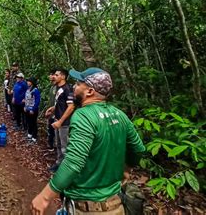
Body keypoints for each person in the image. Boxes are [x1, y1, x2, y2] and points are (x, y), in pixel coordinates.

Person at [31, 68, 145, 215]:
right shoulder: (120, 114)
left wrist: (45, 197)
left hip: (88, 207)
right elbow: (138, 148)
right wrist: (127, 169)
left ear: (90, 91)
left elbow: (73, 162)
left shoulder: (83, 116)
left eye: (78, 83)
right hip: (116, 205)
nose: (74, 86)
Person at [45, 68, 74, 172]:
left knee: (64, 146)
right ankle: (59, 163)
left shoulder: (68, 89)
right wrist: (52, 109)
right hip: (57, 120)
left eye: (57, 75)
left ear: (63, 76)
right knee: (58, 144)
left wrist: (61, 121)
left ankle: (66, 170)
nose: (54, 77)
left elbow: (70, 107)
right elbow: (60, 104)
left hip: (64, 122)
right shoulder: (58, 88)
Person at [24, 77, 40, 143]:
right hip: (27, 109)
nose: (27, 83)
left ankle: (34, 137)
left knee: (33, 123)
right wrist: (25, 106)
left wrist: (33, 109)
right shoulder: (28, 89)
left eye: (29, 81)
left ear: (32, 83)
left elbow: (37, 101)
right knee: (28, 122)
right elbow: (26, 99)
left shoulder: (35, 90)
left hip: (33, 110)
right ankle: (29, 135)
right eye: (27, 81)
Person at [46, 69, 57, 152]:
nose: (50, 76)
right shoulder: (52, 86)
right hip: (50, 112)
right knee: (50, 129)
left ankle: (56, 147)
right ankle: (51, 145)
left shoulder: (59, 88)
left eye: (52, 74)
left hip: (56, 113)